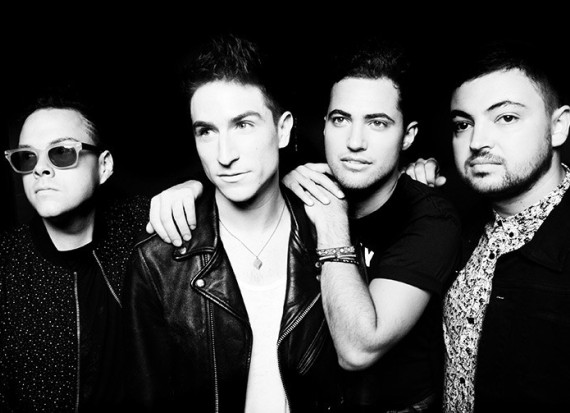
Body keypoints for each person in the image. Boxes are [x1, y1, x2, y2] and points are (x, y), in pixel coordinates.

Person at [153, 37, 462, 413]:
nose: (355, 142)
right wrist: (191, 189)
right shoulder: (307, 184)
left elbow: (358, 349)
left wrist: (331, 221)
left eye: (378, 123)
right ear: (324, 126)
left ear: (408, 135)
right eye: (340, 120)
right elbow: (243, 165)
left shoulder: (430, 218)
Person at [121, 33, 343, 412]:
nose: (224, 155)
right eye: (206, 131)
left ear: (283, 130)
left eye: (243, 125)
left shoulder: (329, 233)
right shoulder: (157, 262)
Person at [0, 86, 202, 412]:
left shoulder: (139, 227)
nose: (40, 169)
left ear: (104, 166)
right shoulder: (8, 263)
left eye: (61, 152)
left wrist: (192, 187)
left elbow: (234, 190)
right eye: (27, 156)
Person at [405, 40, 570, 412]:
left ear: (558, 126)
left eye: (506, 118)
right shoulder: (451, 225)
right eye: (463, 124)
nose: (477, 142)